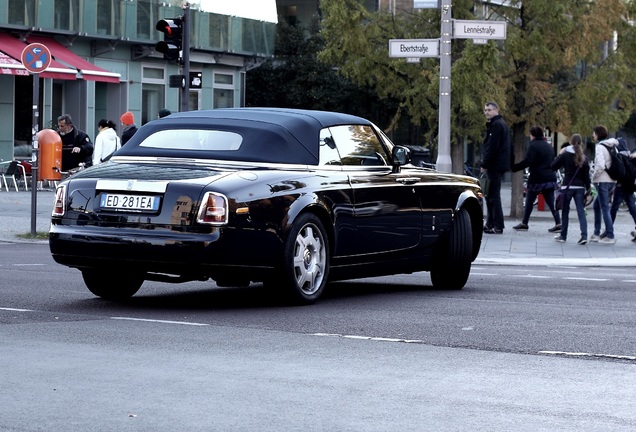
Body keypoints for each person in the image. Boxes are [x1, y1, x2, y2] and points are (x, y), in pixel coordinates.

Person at [511, 126, 561, 233]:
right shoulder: (548, 146)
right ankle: (558, 222)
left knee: (529, 200)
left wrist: (515, 167)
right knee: (551, 202)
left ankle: (525, 223)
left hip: (537, 177)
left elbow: (528, 161)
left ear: (533, 135)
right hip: (550, 177)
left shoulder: (533, 146)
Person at [551, 134, 591, 244]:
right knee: (581, 211)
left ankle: (563, 236)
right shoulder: (584, 157)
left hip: (567, 186)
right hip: (580, 187)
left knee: (565, 211)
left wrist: (560, 154)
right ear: (581, 143)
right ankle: (584, 236)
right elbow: (586, 177)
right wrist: (588, 190)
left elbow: (553, 166)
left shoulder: (565, 155)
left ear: (570, 142)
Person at [480, 101, 511, 234]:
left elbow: (492, 147)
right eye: (485, 110)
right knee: (491, 195)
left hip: (494, 165)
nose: (487, 112)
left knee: (493, 195)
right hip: (499, 164)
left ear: (496, 110)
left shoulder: (496, 125)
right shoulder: (500, 124)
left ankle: (497, 224)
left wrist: (485, 164)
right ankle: (491, 223)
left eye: (489, 110)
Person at [602, 137, 636, 242]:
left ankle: (608, 230)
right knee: (632, 208)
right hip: (630, 186)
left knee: (614, 208)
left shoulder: (619, 157)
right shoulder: (631, 157)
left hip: (621, 186)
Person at [590, 125, 619, 244]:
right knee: (597, 206)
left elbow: (600, 165)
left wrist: (594, 177)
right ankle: (597, 233)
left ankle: (610, 235)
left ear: (597, 134)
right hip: (612, 180)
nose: (593, 135)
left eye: (593, 133)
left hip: (602, 180)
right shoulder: (613, 146)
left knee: (604, 208)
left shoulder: (600, 147)